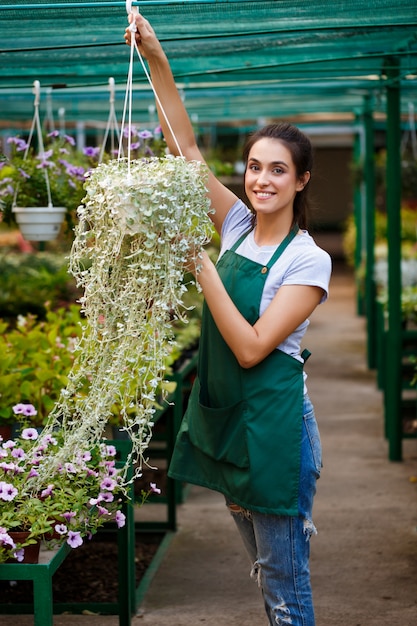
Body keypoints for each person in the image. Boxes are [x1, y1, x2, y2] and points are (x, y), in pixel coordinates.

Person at [126, 13, 332, 626]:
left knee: (285, 590)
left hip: (273, 432)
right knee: (268, 574)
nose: (261, 179)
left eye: (277, 170)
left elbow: (250, 349)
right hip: (232, 426)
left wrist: (204, 269)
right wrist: (156, 56)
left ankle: (291, 554)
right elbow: (186, 149)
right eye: (253, 166)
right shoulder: (238, 225)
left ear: (300, 181)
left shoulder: (307, 260)